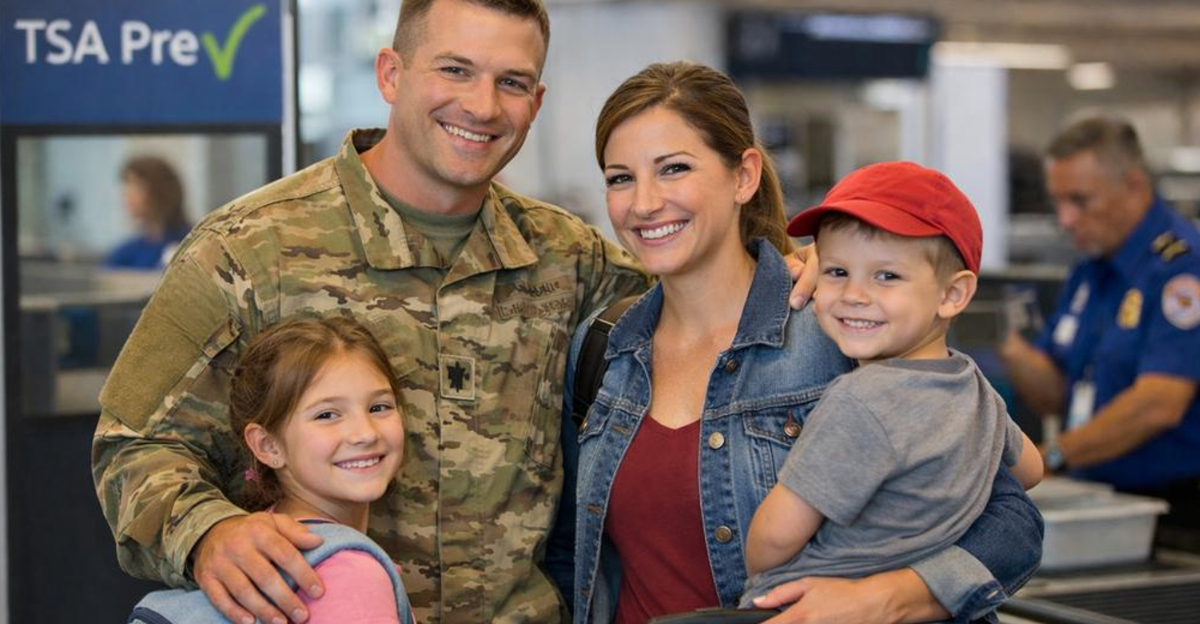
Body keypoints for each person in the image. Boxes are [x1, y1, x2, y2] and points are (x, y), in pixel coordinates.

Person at [91, 2, 656, 623]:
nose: (483, 106)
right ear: (390, 73)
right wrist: (207, 534)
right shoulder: (247, 250)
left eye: (512, 82)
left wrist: (754, 244)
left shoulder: (566, 257)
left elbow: (701, 307)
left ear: (536, 102)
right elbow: (133, 446)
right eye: (455, 70)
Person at [554, 61, 1043, 624]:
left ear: (744, 176)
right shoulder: (603, 348)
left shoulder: (842, 334)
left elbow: (1011, 523)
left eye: (674, 169)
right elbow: (572, 553)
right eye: (620, 178)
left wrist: (880, 600)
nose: (643, 203)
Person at [741, 162, 1044, 617]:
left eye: (886, 276)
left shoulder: (859, 400)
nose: (854, 294)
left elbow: (773, 541)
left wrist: (755, 560)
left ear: (953, 295)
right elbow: (1030, 470)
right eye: (837, 271)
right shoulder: (973, 385)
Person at [131, 316, 416, 623]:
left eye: (379, 407)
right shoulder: (351, 574)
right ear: (268, 446)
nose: (365, 433)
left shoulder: (249, 558)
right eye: (327, 415)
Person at [999, 116, 1200, 537]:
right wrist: (1007, 345)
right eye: (1058, 202)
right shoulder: (1088, 271)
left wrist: (1051, 457)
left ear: (1134, 187)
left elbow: (1159, 404)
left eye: (1080, 200)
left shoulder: (1181, 269)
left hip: (1178, 512)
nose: (1066, 219)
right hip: (1099, 497)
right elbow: (1056, 395)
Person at [106, 156, 192, 270]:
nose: (128, 195)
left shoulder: (191, 244)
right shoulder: (125, 253)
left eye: (138, 186)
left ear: (162, 191)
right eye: (127, 186)